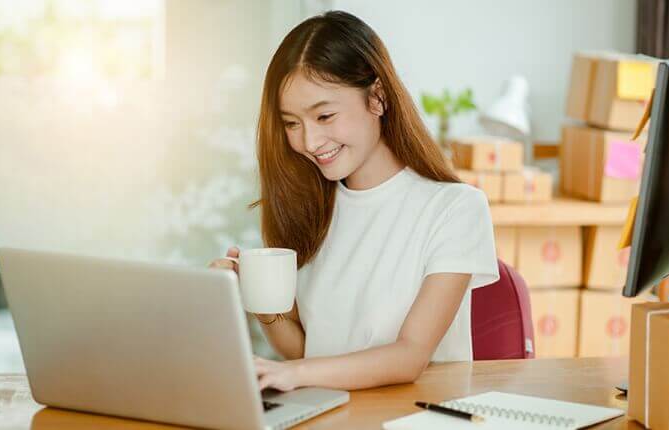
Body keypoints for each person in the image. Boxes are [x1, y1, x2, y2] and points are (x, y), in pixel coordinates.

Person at [209, 10, 498, 392]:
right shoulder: (307, 206)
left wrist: (293, 374)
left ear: (376, 97)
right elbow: (306, 354)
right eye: (292, 124)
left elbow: (410, 356)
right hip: (334, 414)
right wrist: (262, 302)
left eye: (324, 116)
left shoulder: (455, 208)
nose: (309, 142)